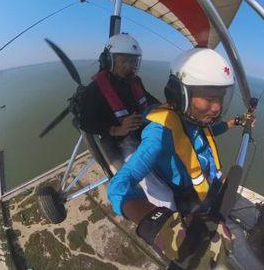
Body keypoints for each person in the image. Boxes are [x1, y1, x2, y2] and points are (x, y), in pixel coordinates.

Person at [107, 48, 256, 269]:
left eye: (221, 98)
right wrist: (162, 227)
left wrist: (236, 122)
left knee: (254, 215)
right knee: (239, 245)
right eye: (208, 98)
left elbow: (208, 133)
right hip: (193, 205)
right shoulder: (159, 133)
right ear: (180, 94)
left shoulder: (194, 118)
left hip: (213, 188)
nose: (217, 107)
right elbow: (119, 186)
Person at [78, 33, 159, 158]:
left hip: (142, 130)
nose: (130, 66)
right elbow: (86, 123)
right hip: (121, 141)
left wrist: (164, 106)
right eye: (124, 61)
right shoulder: (94, 90)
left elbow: (147, 98)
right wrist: (116, 130)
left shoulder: (135, 81)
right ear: (109, 60)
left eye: (133, 61)